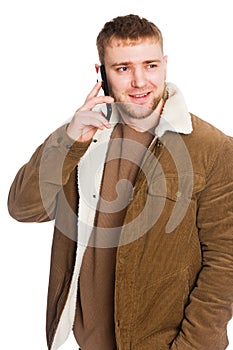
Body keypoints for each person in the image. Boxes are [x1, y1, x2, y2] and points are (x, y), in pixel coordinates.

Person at [8, 14, 233, 350]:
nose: (140, 81)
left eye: (150, 65)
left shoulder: (213, 149)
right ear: (101, 73)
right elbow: (23, 209)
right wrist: (68, 142)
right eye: (123, 68)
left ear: (166, 66)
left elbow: (225, 263)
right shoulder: (82, 137)